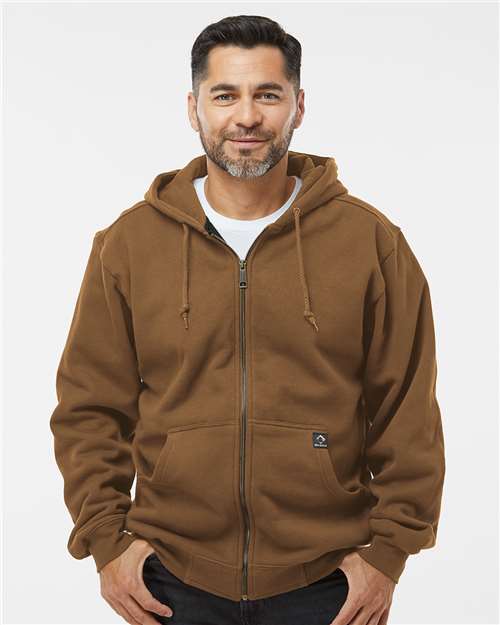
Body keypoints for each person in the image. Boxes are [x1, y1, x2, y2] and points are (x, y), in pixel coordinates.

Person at [49, 14, 446, 625]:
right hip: (169, 578)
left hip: (328, 582)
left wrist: (387, 555)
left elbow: (408, 410)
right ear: (194, 109)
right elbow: (89, 407)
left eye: (267, 94)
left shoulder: (370, 242)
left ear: (298, 106)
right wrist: (108, 542)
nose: (247, 117)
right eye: (224, 95)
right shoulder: (129, 244)